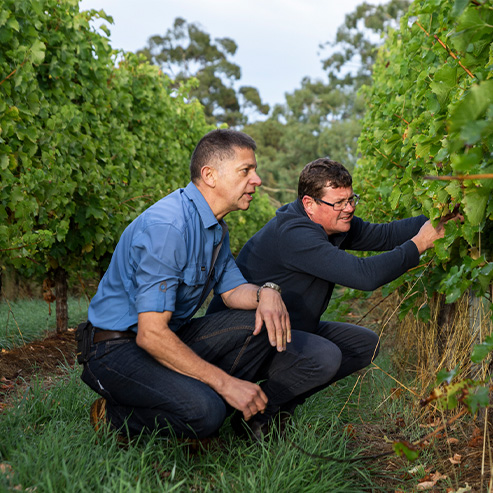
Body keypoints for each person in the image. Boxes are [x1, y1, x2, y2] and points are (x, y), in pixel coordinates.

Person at [77, 130, 335, 441]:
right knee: (206, 411)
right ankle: (114, 417)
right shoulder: (169, 227)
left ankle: (201, 408)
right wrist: (225, 382)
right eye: (246, 171)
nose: (257, 180)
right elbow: (150, 334)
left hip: (166, 336)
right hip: (115, 349)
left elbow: (231, 291)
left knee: (261, 322)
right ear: (210, 175)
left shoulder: (215, 229)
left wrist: (266, 292)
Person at [208, 157, 457, 429]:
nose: (348, 208)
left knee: (364, 344)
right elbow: (365, 276)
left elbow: (385, 235)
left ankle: (271, 408)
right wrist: (420, 244)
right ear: (309, 204)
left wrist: (442, 217)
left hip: (285, 329)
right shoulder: (295, 234)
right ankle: (256, 417)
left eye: (351, 199)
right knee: (325, 357)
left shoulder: (332, 222)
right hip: (242, 342)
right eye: (338, 203)